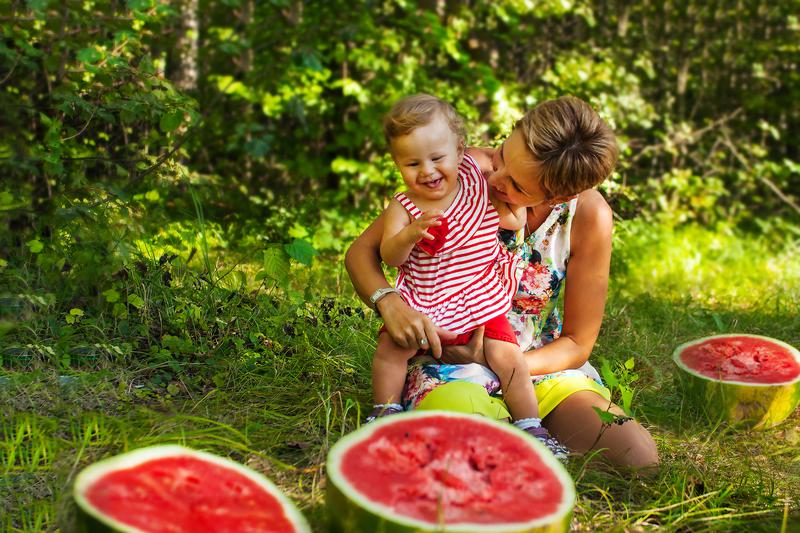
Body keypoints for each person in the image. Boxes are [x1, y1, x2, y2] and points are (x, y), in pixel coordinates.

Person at [346, 95, 659, 469]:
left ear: (561, 196)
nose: (495, 179)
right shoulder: (457, 170)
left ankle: (527, 425)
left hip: (534, 368)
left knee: (636, 456)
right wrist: (390, 302)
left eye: (517, 186)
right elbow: (361, 252)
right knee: (473, 457)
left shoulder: (589, 217)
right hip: (444, 365)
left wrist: (500, 362)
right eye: (502, 156)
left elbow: (577, 343)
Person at [367, 94, 566, 455]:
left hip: (477, 298)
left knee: (510, 359)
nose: (426, 171)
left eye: (436, 159)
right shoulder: (404, 205)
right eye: (412, 163)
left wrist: (510, 213)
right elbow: (388, 256)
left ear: (459, 152)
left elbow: (507, 221)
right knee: (389, 349)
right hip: (426, 302)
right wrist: (409, 235)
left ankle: (531, 425)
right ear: (397, 164)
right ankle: (384, 411)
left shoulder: (474, 183)